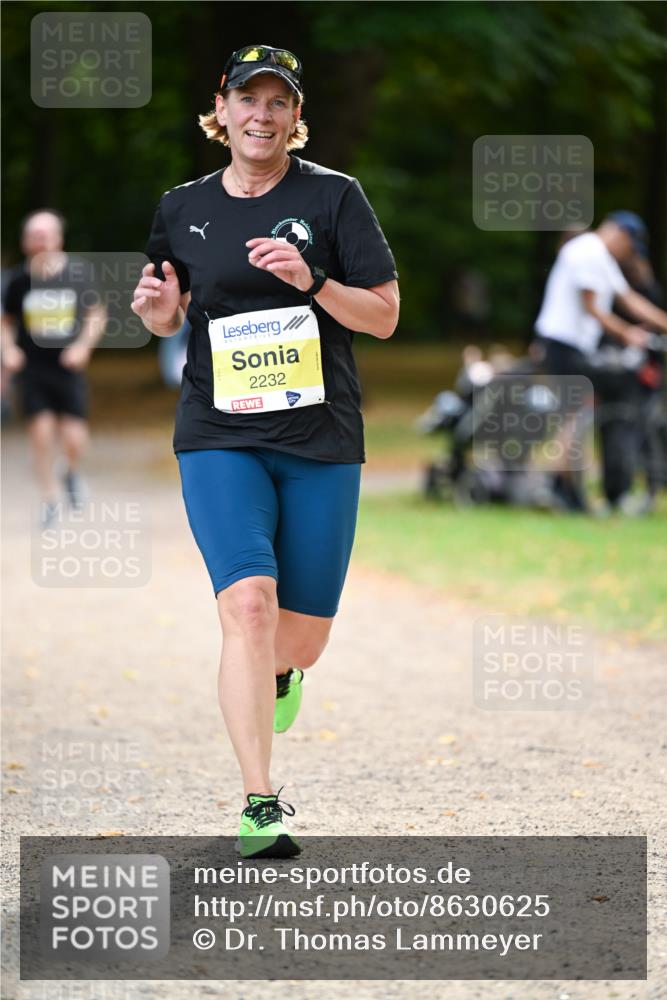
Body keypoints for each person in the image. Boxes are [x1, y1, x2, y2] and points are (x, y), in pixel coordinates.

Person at [131, 44, 399, 858]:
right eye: (247, 100)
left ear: (293, 115)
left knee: (299, 636)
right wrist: (158, 315)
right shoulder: (181, 208)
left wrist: (312, 281)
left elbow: (383, 316)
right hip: (219, 434)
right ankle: (259, 803)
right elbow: (166, 317)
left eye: (277, 102)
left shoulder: (333, 198)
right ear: (223, 110)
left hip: (319, 438)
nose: (261, 115)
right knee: (246, 604)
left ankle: (283, 673)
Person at [532, 211, 667, 511]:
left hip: (571, 346)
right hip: (563, 345)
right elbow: (592, 307)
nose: (627, 255)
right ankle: (563, 484)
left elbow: (628, 298)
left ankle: (562, 486)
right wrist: (627, 334)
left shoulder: (599, 256)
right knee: (581, 408)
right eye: (629, 247)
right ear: (619, 233)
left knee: (575, 412)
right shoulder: (589, 251)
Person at [1, 211, 107, 527]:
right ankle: (49, 498)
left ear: (59, 238)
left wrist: (82, 347)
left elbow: (96, 315)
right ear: (25, 242)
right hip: (33, 369)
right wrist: (9, 350)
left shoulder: (77, 274)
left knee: (75, 438)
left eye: (46, 234)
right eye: (34, 234)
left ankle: (70, 471)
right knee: (41, 433)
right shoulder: (18, 281)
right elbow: (6, 323)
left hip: (67, 367)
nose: (41, 240)